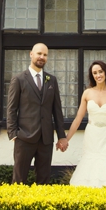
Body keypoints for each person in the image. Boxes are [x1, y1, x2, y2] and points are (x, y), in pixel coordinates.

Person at [6, 43, 67, 184]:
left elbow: (57, 110)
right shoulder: (19, 79)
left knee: (44, 180)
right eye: (39, 53)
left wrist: (61, 136)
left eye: (45, 55)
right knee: (19, 180)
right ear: (31, 54)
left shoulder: (52, 80)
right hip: (24, 137)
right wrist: (13, 133)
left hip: (46, 139)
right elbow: (11, 109)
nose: (42, 57)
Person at [64, 60, 106, 188]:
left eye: (100, 71)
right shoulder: (87, 93)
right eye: (94, 73)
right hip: (92, 133)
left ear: (105, 72)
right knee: (89, 161)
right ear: (92, 75)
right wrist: (66, 139)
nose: (98, 75)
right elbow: (78, 119)